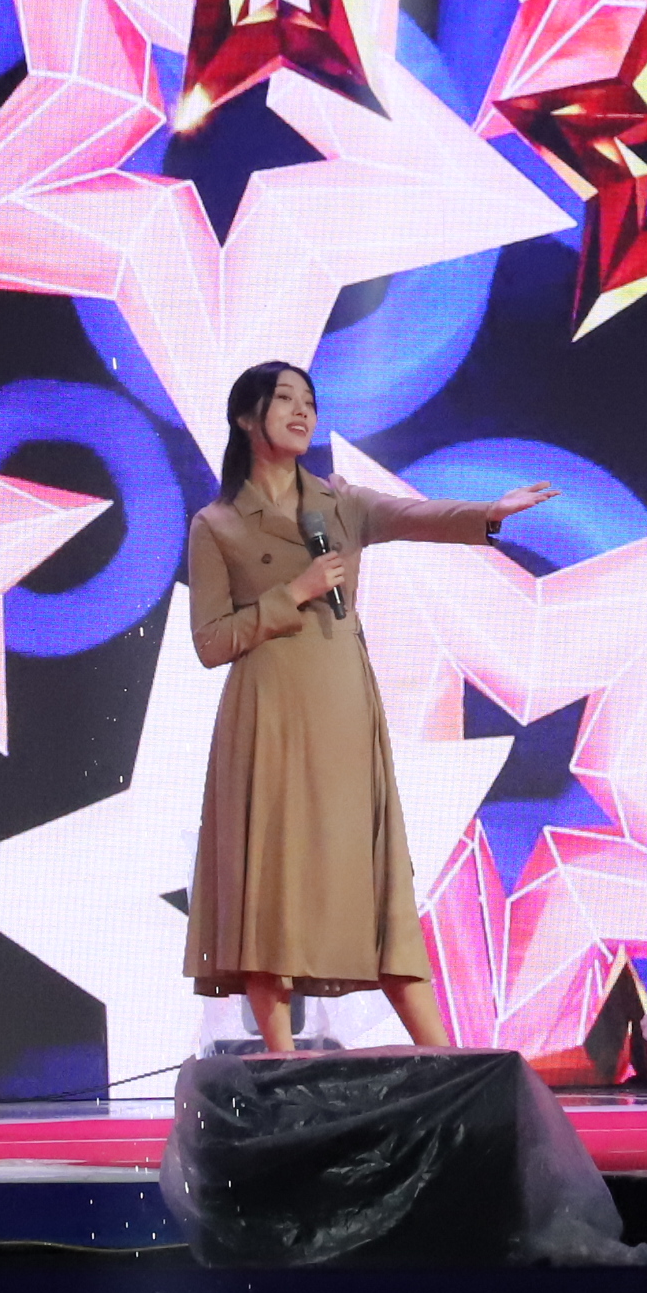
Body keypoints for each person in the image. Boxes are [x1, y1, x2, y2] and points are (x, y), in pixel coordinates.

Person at [180, 361, 556, 1052]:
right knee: (273, 880)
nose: (302, 411)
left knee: (373, 877)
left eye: (309, 400)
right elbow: (210, 642)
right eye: (285, 399)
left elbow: (415, 516)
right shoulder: (219, 524)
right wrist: (292, 595)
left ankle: (443, 1060)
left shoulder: (339, 503)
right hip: (268, 719)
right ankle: (282, 1064)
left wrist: (488, 513)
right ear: (245, 418)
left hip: (345, 713)